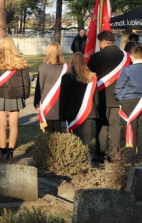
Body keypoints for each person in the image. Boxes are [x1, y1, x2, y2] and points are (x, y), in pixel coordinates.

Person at [0, 35, 31, 159]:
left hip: (0, 95)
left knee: (1, 125)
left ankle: (2, 151)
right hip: (16, 96)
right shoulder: (21, 61)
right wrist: (25, 95)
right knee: (14, 124)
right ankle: (11, 151)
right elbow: (26, 81)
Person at [90, 30, 127, 160]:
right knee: (116, 126)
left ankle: (99, 153)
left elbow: (90, 77)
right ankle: (114, 154)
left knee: (101, 125)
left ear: (103, 42)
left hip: (100, 96)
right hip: (119, 97)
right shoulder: (125, 56)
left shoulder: (95, 57)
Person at [60, 53, 98, 147]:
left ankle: (77, 157)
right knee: (85, 135)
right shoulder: (91, 77)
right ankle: (86, 156)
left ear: (71, 62)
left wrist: (61, 113)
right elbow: (95, 96)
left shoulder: (66, 77)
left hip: (71, 111)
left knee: (75, 136)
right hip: (88, 110)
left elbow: (63, 97)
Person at [33, 42, 66, 134]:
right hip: (60, 102)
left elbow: (39, 86)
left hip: (46, 102)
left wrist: (36, 103)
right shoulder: (65, 67)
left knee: (48, 131)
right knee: (58, 129)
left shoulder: (43, 67)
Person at [115, 45, 142, 149]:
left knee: (131, 126)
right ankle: (140, 156)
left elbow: (119, 88)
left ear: (131, 56)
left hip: (129, 100)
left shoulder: (127, 70)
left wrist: (120, 101)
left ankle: (131, 155)